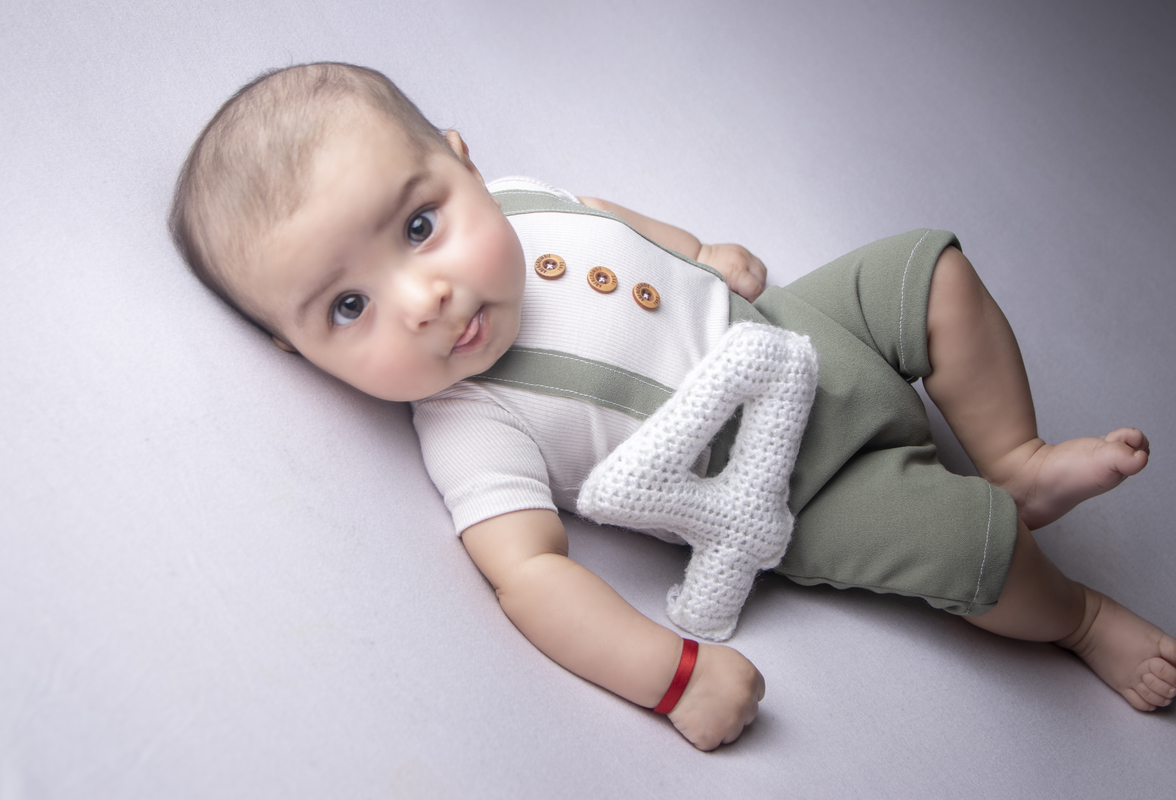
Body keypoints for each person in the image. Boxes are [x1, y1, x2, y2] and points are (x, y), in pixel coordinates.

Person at [169, 62, 1176, 751]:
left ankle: (1014, 453)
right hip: (806, 487)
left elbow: (604, 217)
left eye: (421, 225)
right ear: (298, 352)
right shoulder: (471, 423)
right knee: (968, 545)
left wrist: (696, 251)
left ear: (464, 162)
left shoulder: (519, 198)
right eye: (348, 307)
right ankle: (1080, 617)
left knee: (928, 269)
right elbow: (531, 577)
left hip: (795, 322)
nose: (422, 297)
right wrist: (673, 676)